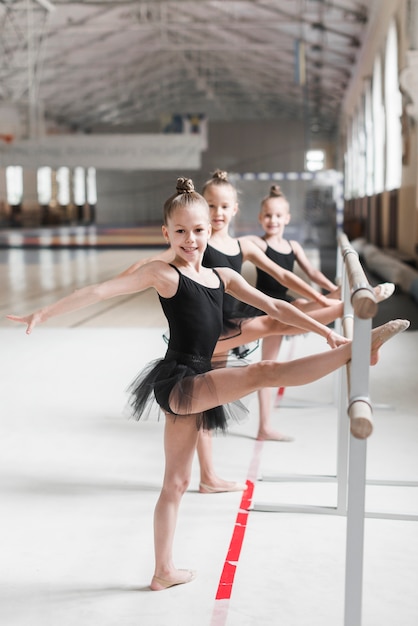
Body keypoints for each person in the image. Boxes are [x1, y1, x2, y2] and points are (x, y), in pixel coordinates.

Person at [6, 177, 409, 591]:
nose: (191, 238)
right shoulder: (164, 274)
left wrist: (325, 331)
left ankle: (163, 571)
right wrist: (44, 312)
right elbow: (98, 290)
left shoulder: (222, 276)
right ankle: (359, 349)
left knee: (176, 483)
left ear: (209, 230)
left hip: (198, 377)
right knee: (260, 373)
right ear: (167, 234)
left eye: (198, 230)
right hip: (180, 379)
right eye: (180, 231)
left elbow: (276, 307)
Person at [121, 171, 394, 492]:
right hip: (216, 329)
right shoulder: (192, 243)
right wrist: (135, 276)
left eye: (224, 206)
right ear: (202, 208)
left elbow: (282, 275)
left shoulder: (243, 245)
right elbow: (148, 266)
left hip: (225, 325)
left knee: (204, 405)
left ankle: (208, 476)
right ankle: (346, 310)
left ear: (235, 208)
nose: (218, 213)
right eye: (211, 206)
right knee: (273, 323)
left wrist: (320, 295)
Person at [242, 184, 395, 441]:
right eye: (268, 215)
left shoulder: (292, 246)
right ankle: (264, 426)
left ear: (287, 218)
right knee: (268, 361)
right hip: (266, 304)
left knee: (298, 313)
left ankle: (343, 298)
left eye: (278, 215)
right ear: (260, 218)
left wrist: (332, 288)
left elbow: (312, 274)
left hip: (288, 303)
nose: (273, 220)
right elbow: (241, 247)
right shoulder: (257, 243)